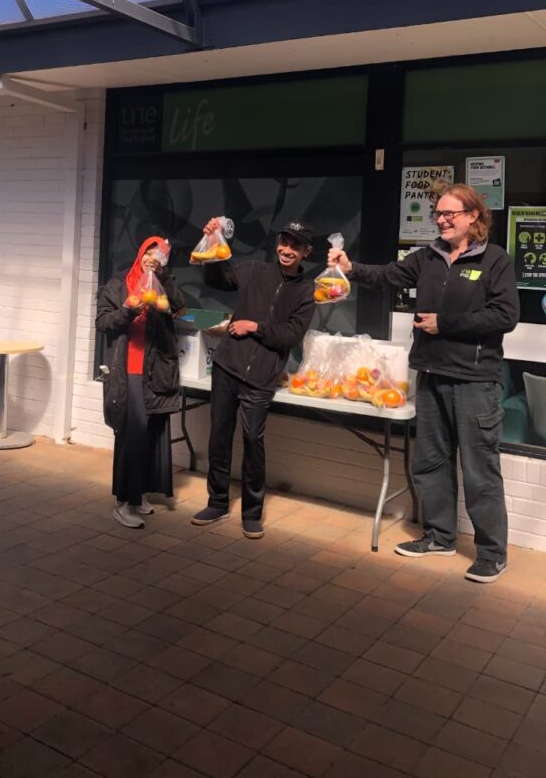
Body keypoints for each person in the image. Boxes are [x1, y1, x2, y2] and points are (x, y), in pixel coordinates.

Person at [328, 183, 518, 582]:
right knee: (431, 462)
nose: (442, 220)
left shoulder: (495, 260)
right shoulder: (428, 257)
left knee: (480, 469)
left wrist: (444, 323)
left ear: (473, 217)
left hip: (474, 381)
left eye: (451, 213)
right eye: (438, 213)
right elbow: (387, 276)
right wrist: (350, 268)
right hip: (431, 376)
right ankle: (440, 537)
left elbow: (505, 316)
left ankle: (491, 552)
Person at [192, 220, 315, 539]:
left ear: (305, 252)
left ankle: (252, 512)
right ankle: (217, 502)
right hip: (227, 366)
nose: (286, 250)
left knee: (252, 441)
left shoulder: (306, 292)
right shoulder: (253, 270)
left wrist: (254, 327)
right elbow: (217, 278)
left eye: (294, 246)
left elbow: (291, 335)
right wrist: (211, 241)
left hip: (262, 376)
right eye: (283, 242)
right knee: (219, 436)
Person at [96, 237, 185, 529]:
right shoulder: (118, 285)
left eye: (159, 254)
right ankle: (123, 501)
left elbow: (179, 307)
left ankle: (139, 494)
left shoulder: (162, 283)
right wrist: (130, 308)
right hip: (126, 369)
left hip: (155, 369)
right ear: (140, 253)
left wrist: (163, 276)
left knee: (152, 433)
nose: (152, 257)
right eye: (149, 252)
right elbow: (104, 323)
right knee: (132, 432)